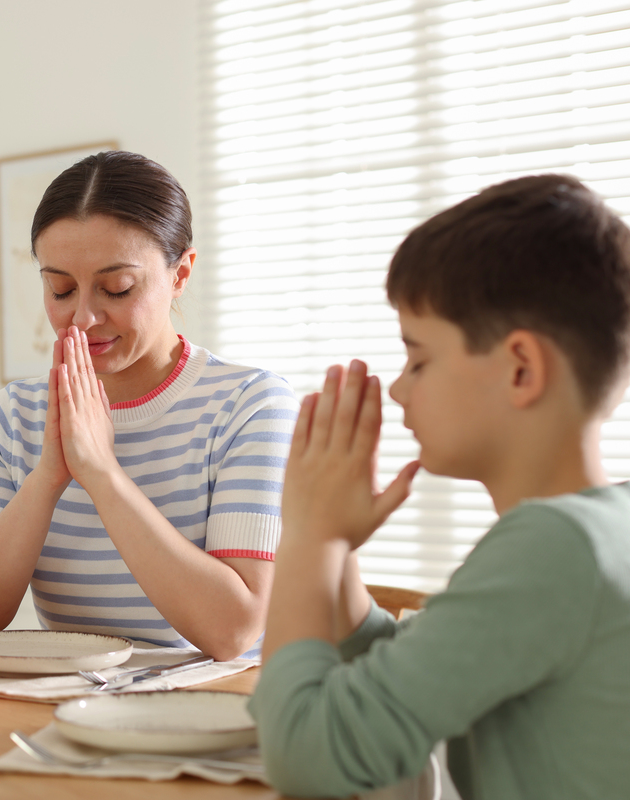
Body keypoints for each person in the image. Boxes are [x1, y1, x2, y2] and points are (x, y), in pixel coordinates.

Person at [250, 175, 630, 798]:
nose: (399, 389)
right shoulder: (602, 529)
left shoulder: (555, 547)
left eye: (419, 359)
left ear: (521, 369)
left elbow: (306, 758)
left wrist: (308, 536)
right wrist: (335, 548)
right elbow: (416, 672)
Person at [0, 151, 299, 660]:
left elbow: (233, 631)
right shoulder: (8, 418)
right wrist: (48, 477)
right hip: (70, 697)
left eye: (117, 288)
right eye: (61, 289)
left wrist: (102, 474)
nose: (83, 318)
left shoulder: (251, 407)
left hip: (217, 701)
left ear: (180, 274)